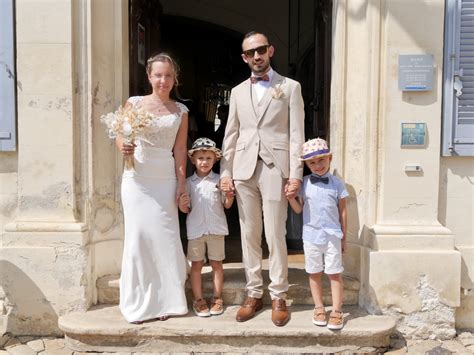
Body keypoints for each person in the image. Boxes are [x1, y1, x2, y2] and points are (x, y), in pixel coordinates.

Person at [220, 31, 305, 326]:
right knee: (248, 233)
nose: (256, 56)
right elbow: (230, 134)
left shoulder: (290, 87)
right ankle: (254, 292)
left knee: (275, 233)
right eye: (250, 52)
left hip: (275, 167)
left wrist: (295, 174)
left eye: (260, 50)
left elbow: (296, 135)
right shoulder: (237, 91)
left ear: (270, 50)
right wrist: (225, 173)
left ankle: (279, 294)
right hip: (243, 168)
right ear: (244, 57)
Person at [113, 53, 189, 324]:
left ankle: (167, 299)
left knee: (165, 237)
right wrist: (122, 146)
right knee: (139, 236)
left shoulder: (180, 111)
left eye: (168, 75)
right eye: (158, 75)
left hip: (165, 178)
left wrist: (181, 184)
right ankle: (139, 300)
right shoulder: (134, 103)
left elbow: (180, 149)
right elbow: (120, 133)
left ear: (174, 78)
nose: (163, 80)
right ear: (149, 76)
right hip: (136, 179)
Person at [286, 138, 348, 330]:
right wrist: (290, 199)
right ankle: (319, 307)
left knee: (334, 273)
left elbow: (343, 212)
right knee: (314, 273)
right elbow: (298, 210)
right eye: (312, 162)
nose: (317, 165)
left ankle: (337, 310)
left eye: (321, 160)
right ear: (306, 164)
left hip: (332, 235)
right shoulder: (304, 183)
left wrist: (344, 237)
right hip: (311, 235)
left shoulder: (337, 184)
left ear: (330, 158)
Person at [178, 137, 234, 317]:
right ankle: (198, 299)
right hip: (196, 230)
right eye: (200, 158)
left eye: (208, 158)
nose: (204, 162)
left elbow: (227, 205)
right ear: (193, 160)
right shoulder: (188, 183)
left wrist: (229, 195)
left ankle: (217, 297)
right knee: (197, 264)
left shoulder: (219, 181)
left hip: (216, 229)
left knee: (217, 263)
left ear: (215, 160)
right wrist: (182, 204)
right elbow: (186, 209)